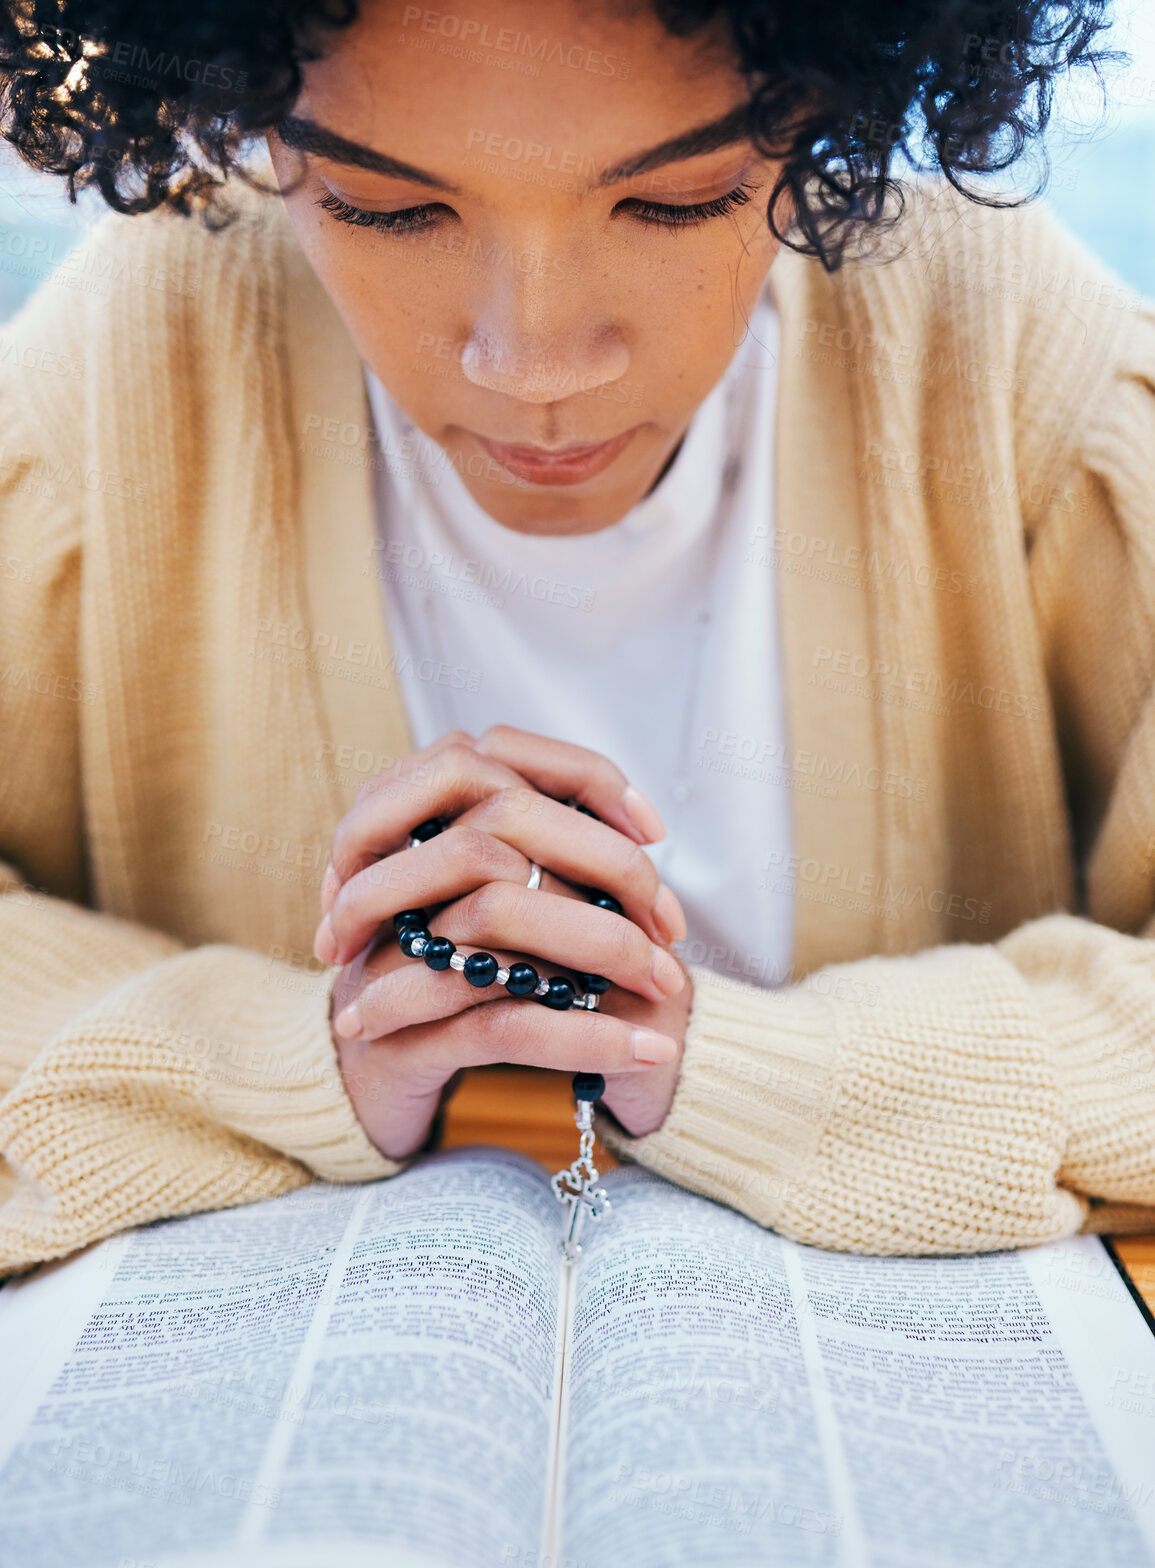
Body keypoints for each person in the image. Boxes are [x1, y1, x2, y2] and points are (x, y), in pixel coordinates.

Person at [0, 0, 1152, 1273]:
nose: (534, 360)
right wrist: (282, 1054)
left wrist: (761, 1070)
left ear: (817, 115)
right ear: (262, 136)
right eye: (389, 209)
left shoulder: (1005, 351)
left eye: (677, 201)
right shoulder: (122, 365)